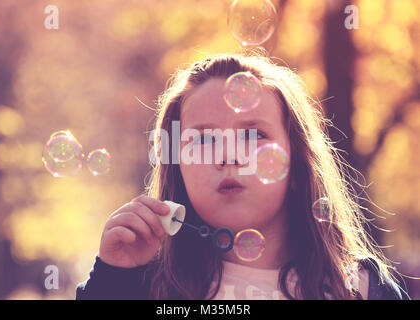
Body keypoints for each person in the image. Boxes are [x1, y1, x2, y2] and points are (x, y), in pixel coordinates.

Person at [76, 52, 410, 300]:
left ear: (296, 163)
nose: (228, 156)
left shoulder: (360, 288)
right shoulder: (144, 285)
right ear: (179, 167)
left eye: (252, 136)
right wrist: (113, 280)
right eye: (204, 140)